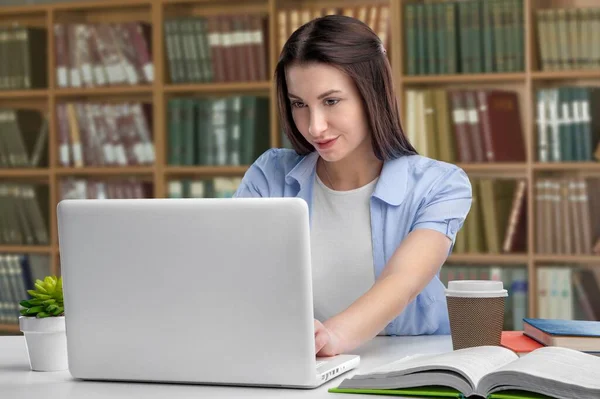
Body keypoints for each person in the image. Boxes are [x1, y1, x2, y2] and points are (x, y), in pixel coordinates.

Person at [233, 15, 472, 357]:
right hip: (297, 363)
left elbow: (401, 282)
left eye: (331, 101)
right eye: (299, 104)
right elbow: (235, 273)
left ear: (370, 94)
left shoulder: (440, 186)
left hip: (410, 362)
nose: (314, 127)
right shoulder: (270, 174)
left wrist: (328, 338)